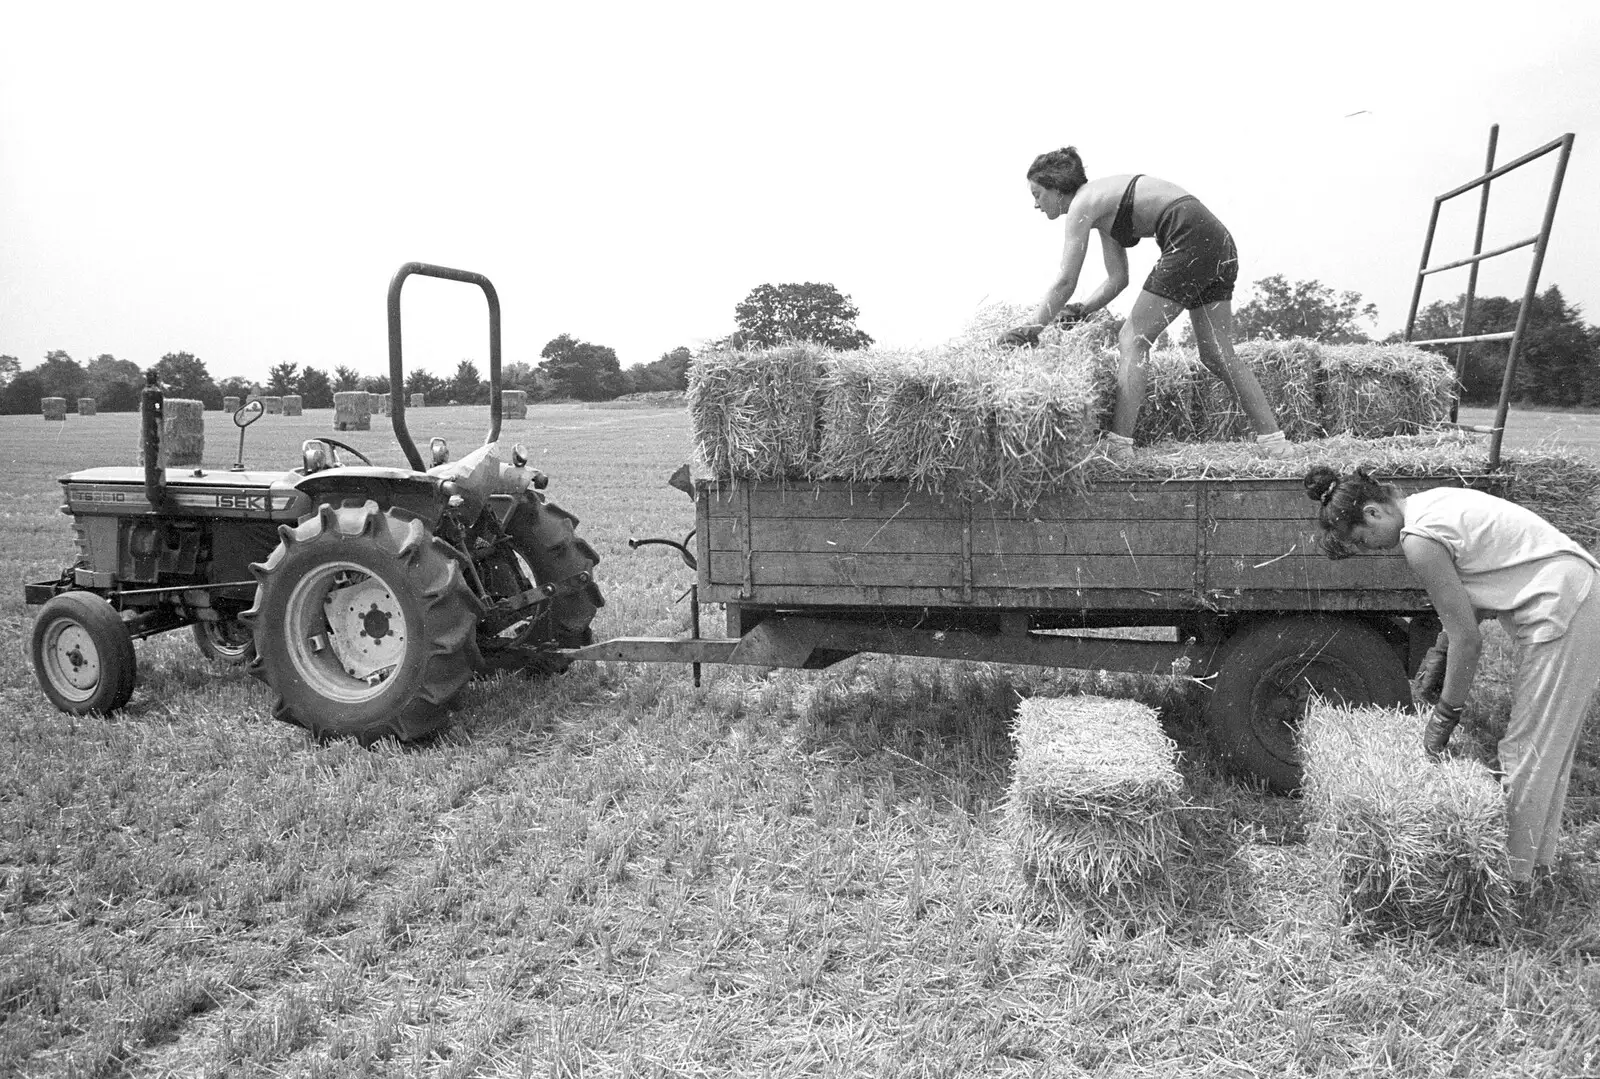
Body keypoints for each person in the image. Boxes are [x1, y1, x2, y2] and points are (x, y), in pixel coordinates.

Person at [1304, 465, 1600, 889]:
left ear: (1372, 513)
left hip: (1564, 603)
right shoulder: (1430, 504)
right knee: (1547, 746)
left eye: (1360, 540)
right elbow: (1473, 598)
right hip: (1577, 592)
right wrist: (1440, 655)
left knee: (1527, 749)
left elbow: (1470, 641)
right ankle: (1535, 866)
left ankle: (1507, 882)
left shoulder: (1417, 540)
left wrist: (1444, 716)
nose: (1370, 548)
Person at [1000, 147, 1288, 463]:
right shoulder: (1099, 204)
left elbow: (1065, 281)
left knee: (1132, 340)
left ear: (1056, 188)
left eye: (1038, 194)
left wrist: (1033, 327)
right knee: (1217, 353)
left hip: (1188, 236)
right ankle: (1274, 443)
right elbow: (1117, 279)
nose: (1035, 204)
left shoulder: (1084, 203)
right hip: (1217, 241)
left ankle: (1119, 447)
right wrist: (1083, 310)